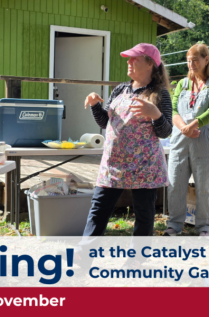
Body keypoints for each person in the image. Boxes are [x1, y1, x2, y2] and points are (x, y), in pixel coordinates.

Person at [76, 43, 173, 267]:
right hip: (114, 163)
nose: (129, 62)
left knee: (144, 212)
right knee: (99, 207)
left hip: (145, 165)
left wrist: (156, 114)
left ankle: (137, 260)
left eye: (134, 58)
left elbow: (165, 131)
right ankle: (84, 255)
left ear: (150, 64)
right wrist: (95, 105)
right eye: (128, 58)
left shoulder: (160, 94)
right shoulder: (120, 89)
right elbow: (105, 122)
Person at [165, 43, 209, 237]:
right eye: (188, 61)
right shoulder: (182, 84)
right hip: (180, 139)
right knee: (175, 185)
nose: (191, 64)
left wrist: (192, 126)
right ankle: (174, 225)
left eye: (195, 60)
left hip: (205, 140)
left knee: (205, 188)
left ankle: (205, 227)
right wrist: (184, 128)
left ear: (206, 60)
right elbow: (173, 109)